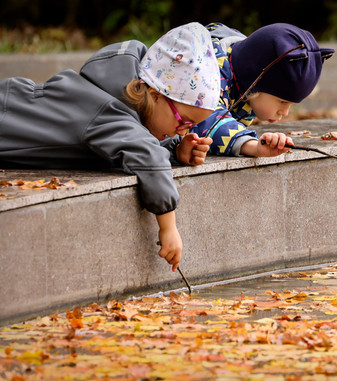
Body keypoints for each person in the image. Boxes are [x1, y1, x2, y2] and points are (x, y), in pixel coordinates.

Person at [0, 22, 220, 272]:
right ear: (156, 95)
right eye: (184, 121)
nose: (185, 131)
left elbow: (135, 143)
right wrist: (168, 227)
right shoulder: (106, 110)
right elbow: (146, 154)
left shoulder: (117, 105)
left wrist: (175, 150)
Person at [181, 22, 335, 162]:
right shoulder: (211, 71)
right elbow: (208, 117)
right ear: (256, 82)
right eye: (282, 101)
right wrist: (253, 146)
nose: (285, 112)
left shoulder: (245, 66)